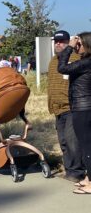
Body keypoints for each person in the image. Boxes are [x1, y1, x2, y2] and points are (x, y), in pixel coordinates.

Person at [47, 30, 85, 183]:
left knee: (72, 141)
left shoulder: (76, 58)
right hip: (57, 108)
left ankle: (77, 173)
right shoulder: (53, 61)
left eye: (62, 41)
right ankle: (69, 169)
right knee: (63, 141)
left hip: (72, 107)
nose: (58, 44)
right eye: (56, 41)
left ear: (69, 42)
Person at [57, 32, 91, 194]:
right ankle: (88, 178)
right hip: (81, 106)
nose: (77, 46)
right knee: (86, 146)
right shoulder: (85, 62)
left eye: (79, 44)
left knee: (86, 146)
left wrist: (69, 47)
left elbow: (62, 67)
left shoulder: (87, 62)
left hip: (83, 108)